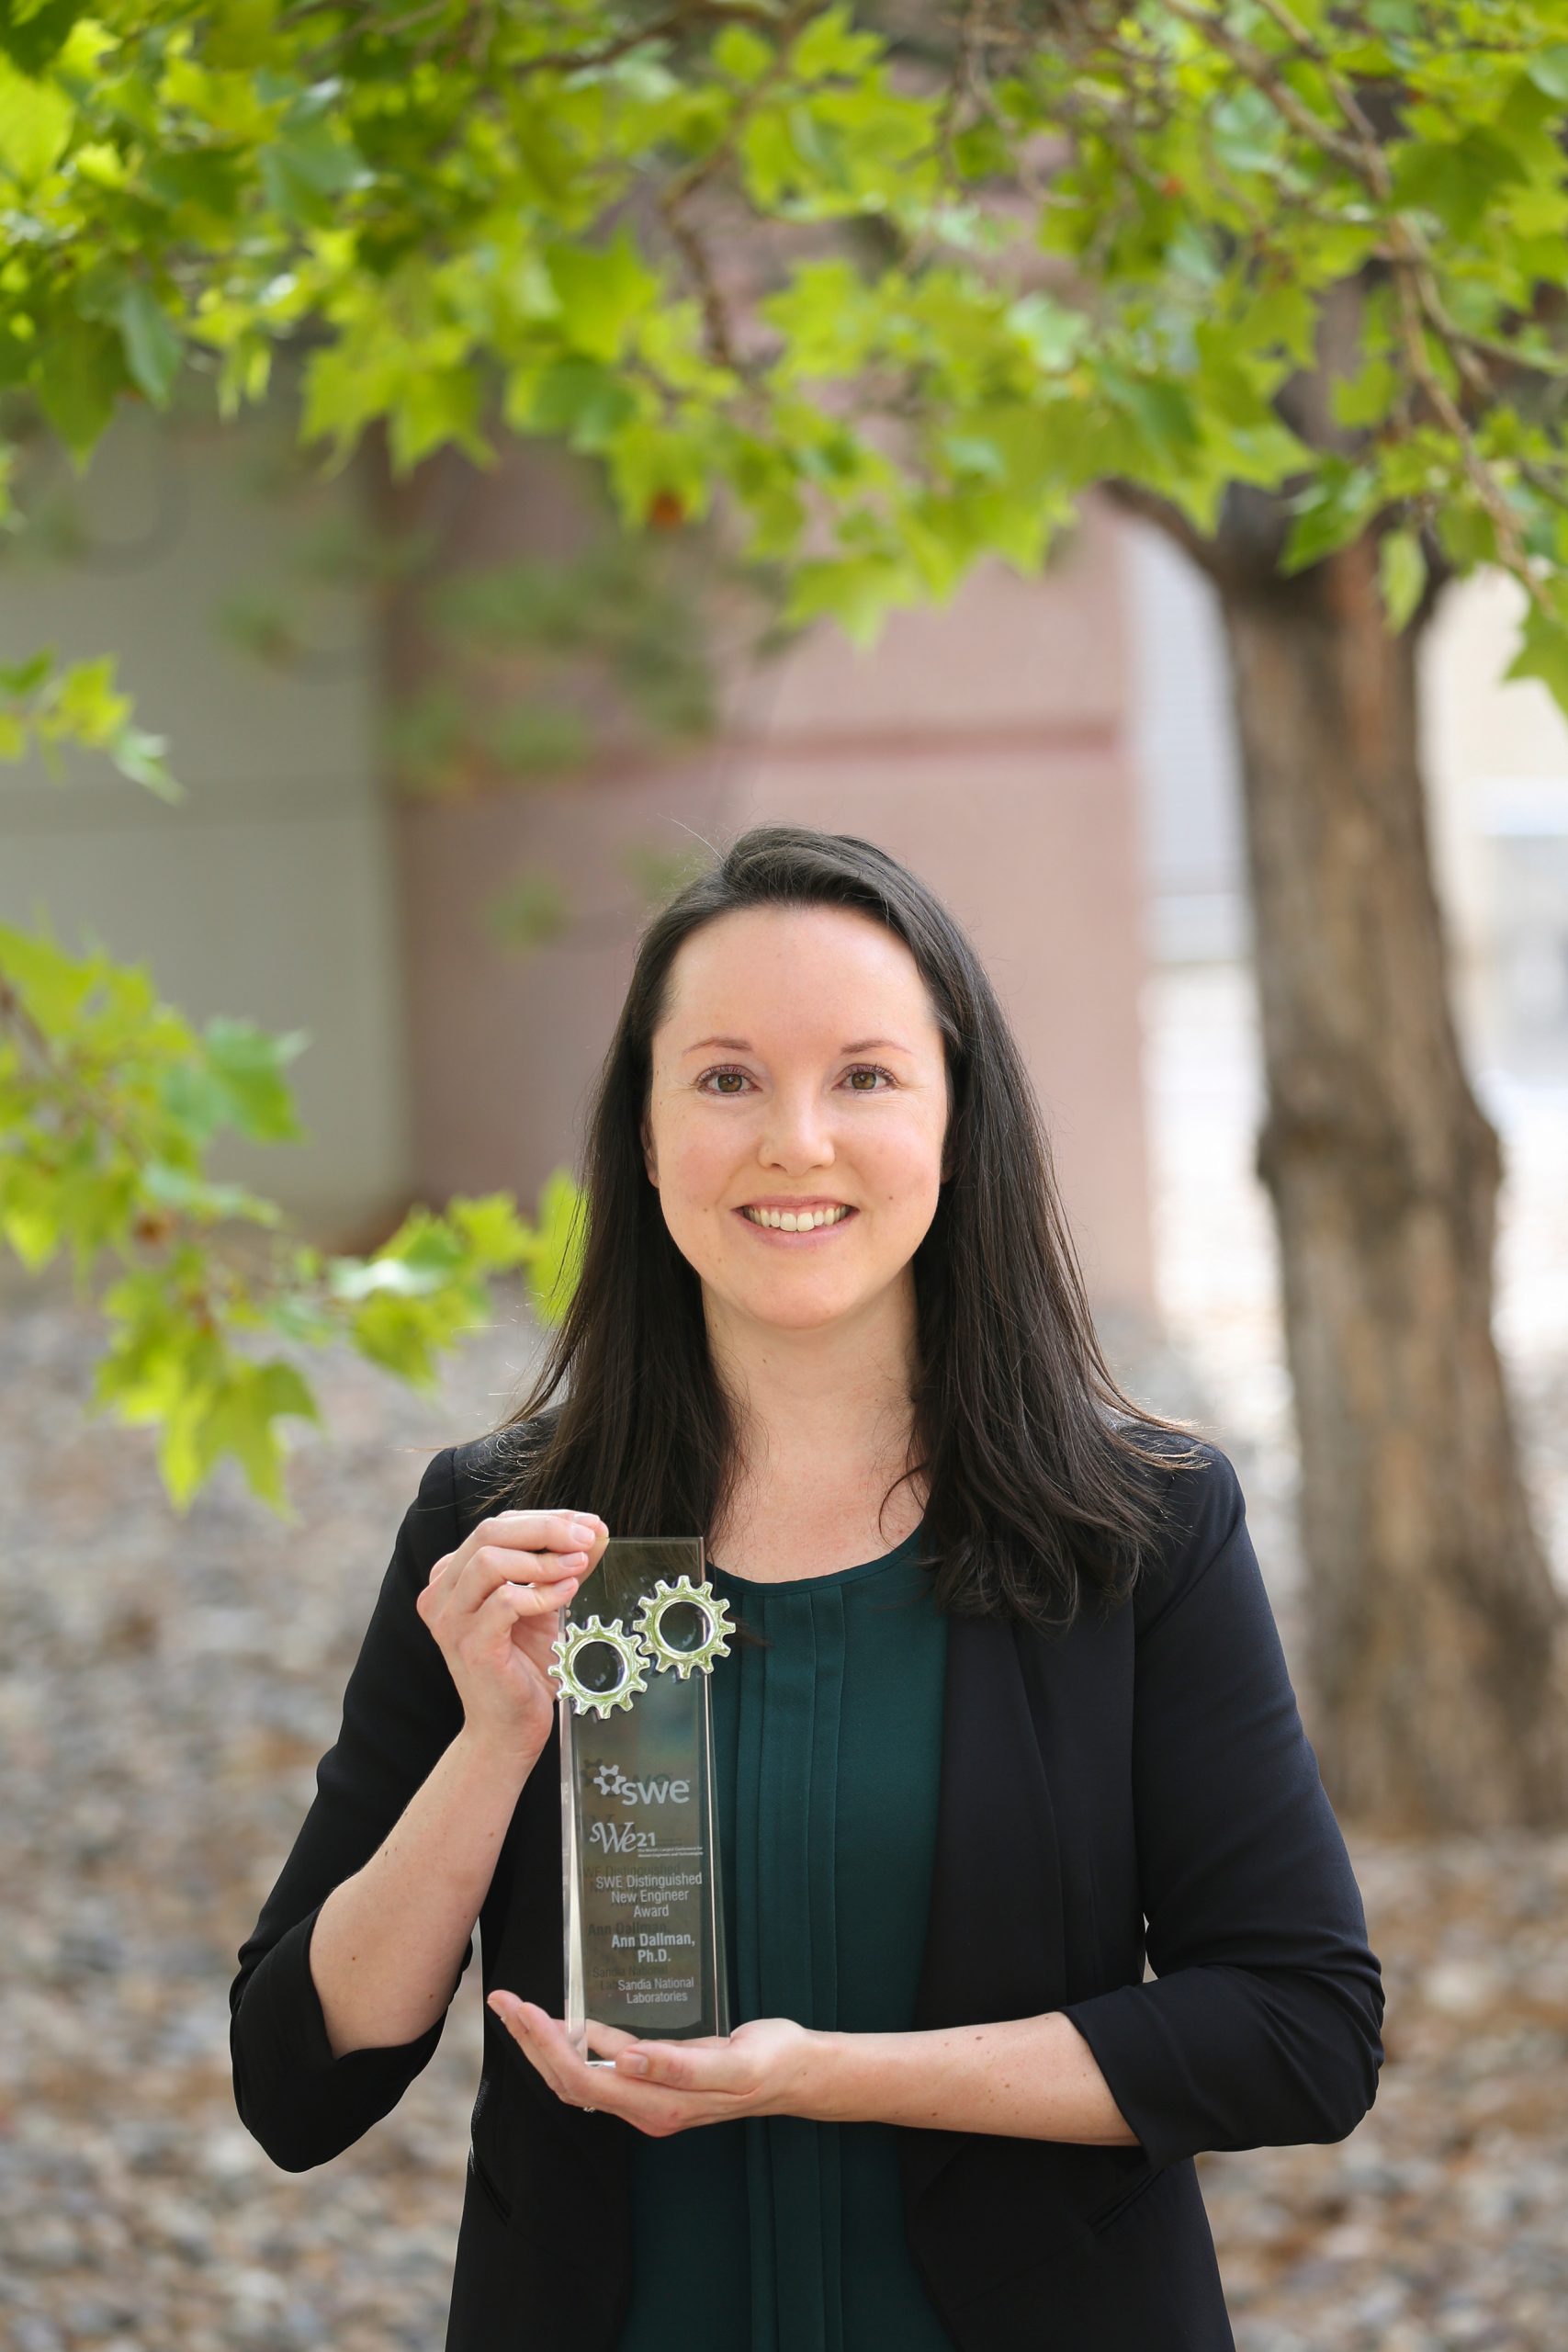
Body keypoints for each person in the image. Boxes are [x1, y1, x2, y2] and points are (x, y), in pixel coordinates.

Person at [230, 823, 1384, 2352]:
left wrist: (825, 2077)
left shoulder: (1138, 1528)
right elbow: (297, 2083)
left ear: (957, 1122)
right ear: (645, 1138)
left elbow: (1300, 2032)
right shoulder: (508, 1530)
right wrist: (494, 1744)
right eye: (725, 1079)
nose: (796, 1141)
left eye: (865, 1076)